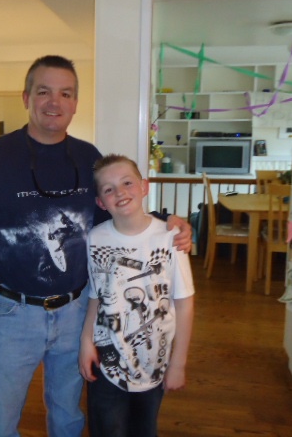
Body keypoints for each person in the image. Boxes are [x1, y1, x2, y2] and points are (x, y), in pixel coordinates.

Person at [0, 55, 192, 437]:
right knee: (1, 420)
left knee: (68, 415)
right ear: (27, 97)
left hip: (76, 312)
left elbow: (113, 211)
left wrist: (164, 221)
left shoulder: (88, 157)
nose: (54, 102)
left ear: (75, 103)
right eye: (44, 91)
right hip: (13, 313)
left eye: (66, 93)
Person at [79, 154, 195, 437]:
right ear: (100, 202)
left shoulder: (170, 238)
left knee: (144, 429)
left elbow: (184, 304)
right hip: (106, 360)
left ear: (144, 187)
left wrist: (178, 364)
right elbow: (96, 295)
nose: (120, 192)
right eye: (109, 189)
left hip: (153, 363)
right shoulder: (95, 239)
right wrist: (86, 341)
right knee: (106, 429)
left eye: (127, 183)